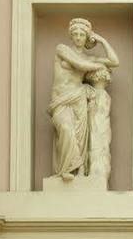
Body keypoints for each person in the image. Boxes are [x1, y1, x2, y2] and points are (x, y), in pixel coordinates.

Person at [48, 18, 118, 180]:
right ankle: (65, 168)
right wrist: (99, 66)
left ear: (87, 38)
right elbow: (80, 65)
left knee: (80, 138)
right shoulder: (62, 49)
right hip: (61, 98)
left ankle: (77, 170)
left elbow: (115, 61)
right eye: (76, 34)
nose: (79, 37)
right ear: (71, 36)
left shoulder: (89, 59)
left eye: (82, 35)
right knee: (65, 129)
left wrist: (102, 40)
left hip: (78, 98)